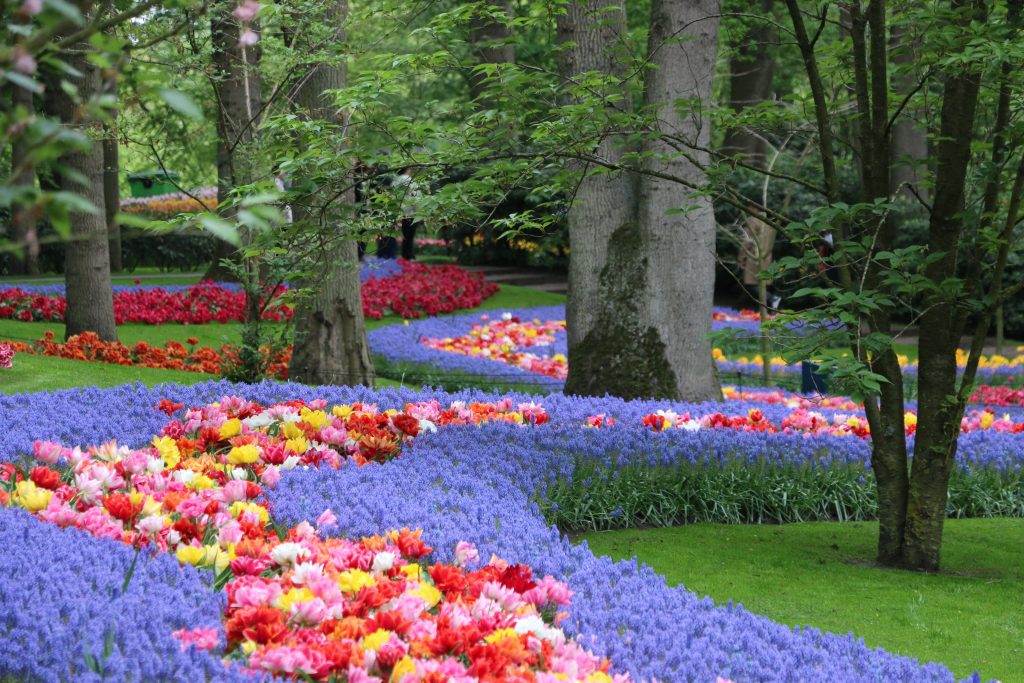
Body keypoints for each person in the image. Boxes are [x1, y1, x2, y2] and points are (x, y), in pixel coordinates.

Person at [737, 205, 781, 309]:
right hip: (766, 256)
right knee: (762, 284)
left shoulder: (753, 220)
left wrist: (741, 258)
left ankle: (772, 298)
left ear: (755, 208)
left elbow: (747, 241)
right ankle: (765, 308)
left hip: (754, 257)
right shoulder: (769, 222)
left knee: (750, 284)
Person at [392, 167, 423, 260]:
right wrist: (419, 212)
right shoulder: (411, 181)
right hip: (410, 213)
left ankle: (399, 254)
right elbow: (417, 198)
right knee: (409, 235)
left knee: (399, 234)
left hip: (398, 212)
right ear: (408, 170)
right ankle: (408, 255)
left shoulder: (395, 181)